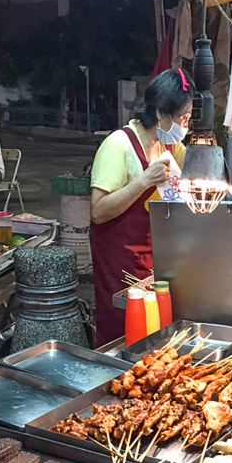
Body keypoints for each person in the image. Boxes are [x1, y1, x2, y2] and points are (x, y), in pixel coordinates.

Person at [89, 68, 193, 346]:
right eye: (182, 118)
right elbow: (98, 212)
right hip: (120, 262)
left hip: (156, 259)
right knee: (123, 333)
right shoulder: (118, 145)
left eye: (189, 117)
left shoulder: (172, 148)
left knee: (157, 335)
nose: (186, 125)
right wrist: (144, 180)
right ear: (161, 113)